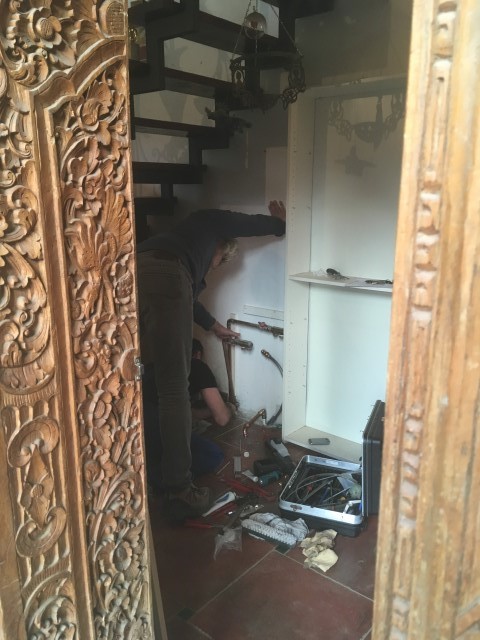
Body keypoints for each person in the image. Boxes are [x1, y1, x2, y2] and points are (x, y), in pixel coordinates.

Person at [136, 201, 286, 520]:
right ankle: (180, 491)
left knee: (130, 373)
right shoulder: (205, 222)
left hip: (129, 270)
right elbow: (241, 222)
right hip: (162, 277)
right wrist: (279, 224)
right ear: (221, 245)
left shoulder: (174, 244)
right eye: (218, 261)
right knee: (173, 388)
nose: (213, 266)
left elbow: (187, 299)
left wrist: (215, 327)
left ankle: (136, 476)